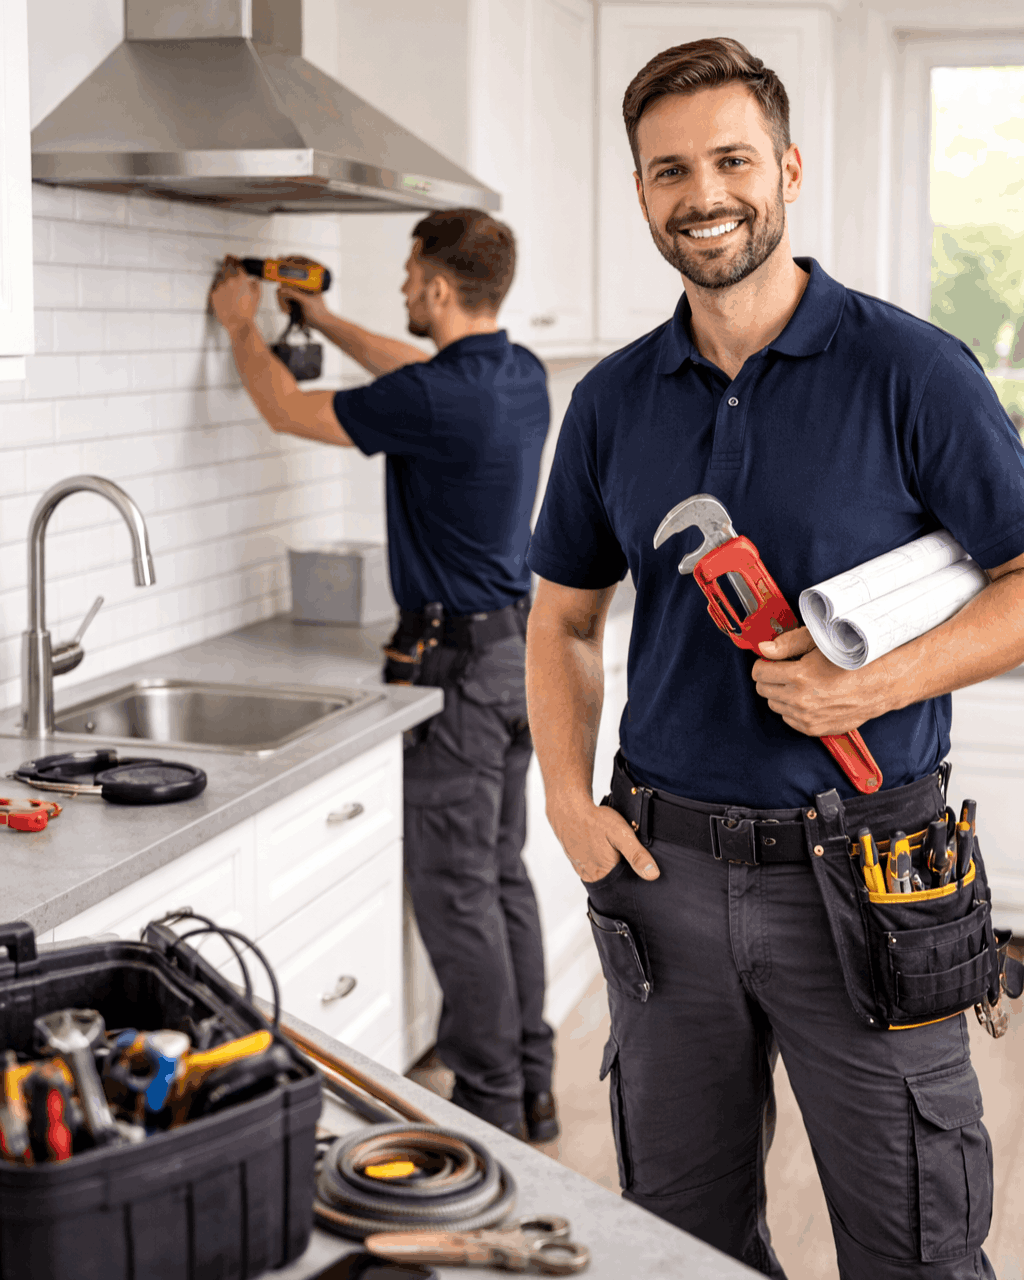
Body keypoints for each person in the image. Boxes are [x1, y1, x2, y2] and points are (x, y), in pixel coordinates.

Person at [525, 36, 1024, 1279]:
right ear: (640, 191)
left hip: (869, 869)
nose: (703, 194)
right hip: (661, 872)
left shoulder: (911, 369)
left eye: (732, 160)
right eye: (669, 170)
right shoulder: (612, 400)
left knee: (916, 1248)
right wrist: (566, 800)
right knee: (677, 1241)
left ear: (787, 169)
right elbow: (564, 617)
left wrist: (873, 681)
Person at [209, 210, 558, 1142]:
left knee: (457, 890)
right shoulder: (519, 375)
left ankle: (490, 1107)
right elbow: (415, 372)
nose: (402, 289)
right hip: (516, 658)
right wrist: (323, 320)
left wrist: (241, 324)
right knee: (500, 874)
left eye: (409, 276)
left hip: (455, 671)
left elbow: (287, 409)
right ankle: (531, 1082)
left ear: (439, 288)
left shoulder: (434, 398)